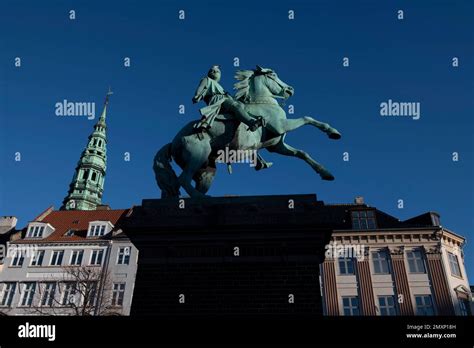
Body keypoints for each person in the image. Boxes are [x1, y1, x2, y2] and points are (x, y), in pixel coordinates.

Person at [192, 65, 263, 132]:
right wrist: (197, 95)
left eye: (217, 71)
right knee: (236, 106)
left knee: (241, 105)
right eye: (212, 71)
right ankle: (251, 123)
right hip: (218, 99)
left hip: (224, 98)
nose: (214, 72)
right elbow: (201, 87)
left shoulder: (219, 86)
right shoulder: (207, 79)